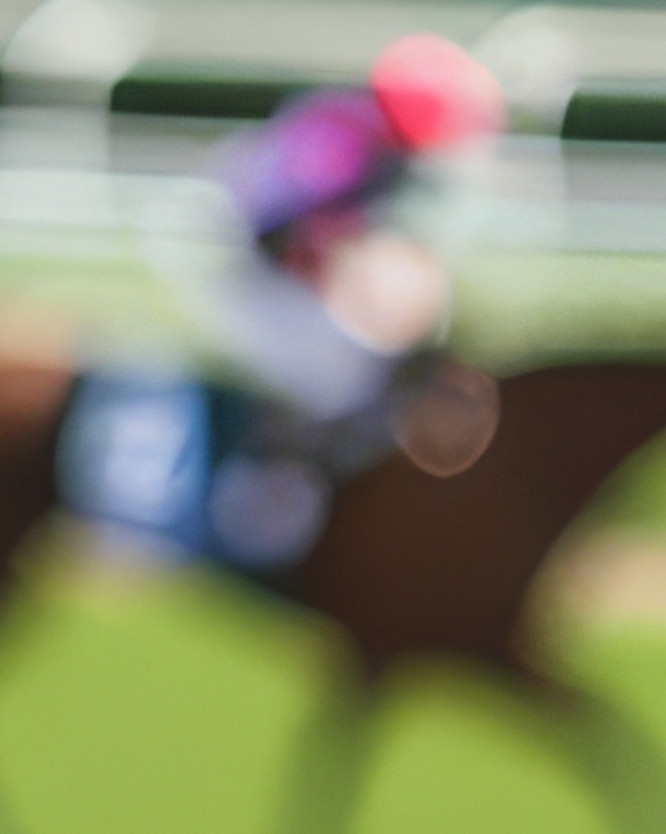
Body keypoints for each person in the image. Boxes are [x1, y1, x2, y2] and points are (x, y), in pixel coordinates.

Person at [175, 34, 506, 571]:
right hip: (238, 270)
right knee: (342, 378)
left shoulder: (365, 136)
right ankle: (270, 495)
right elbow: (271, 238)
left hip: (267, 268)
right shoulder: (339, 143)